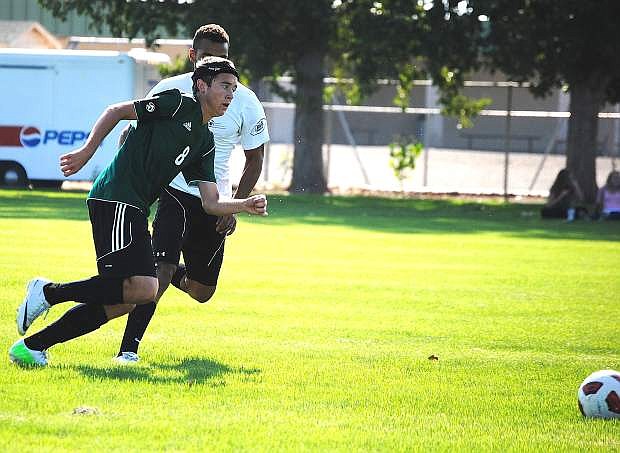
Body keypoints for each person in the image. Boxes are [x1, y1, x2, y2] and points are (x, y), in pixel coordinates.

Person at [9, 57, 268, 367]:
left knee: (128, 299)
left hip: (134, 206)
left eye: (234, 89)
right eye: (225, 86)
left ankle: (31, 347)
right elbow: (116, 111)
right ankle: (48, 292)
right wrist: (86, 152)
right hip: (116, 197)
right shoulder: (176, 103)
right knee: (145, 288)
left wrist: (244, 204)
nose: (230, 95)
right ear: (202, 86)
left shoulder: (205, 142)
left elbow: (211, 203)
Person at [114, 24, 270, 364]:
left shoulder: (243, 99)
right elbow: (131, 132)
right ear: (191, 57)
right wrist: (135, 183)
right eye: (206, 58)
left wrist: (234, 207)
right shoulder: (170, 89)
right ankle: (129, 349)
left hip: (215, 200)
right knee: (162, 272)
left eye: (223, 60)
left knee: (202, 291)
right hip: (175, 191)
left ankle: (173, 273)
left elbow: (255, 158)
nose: (215, 66)